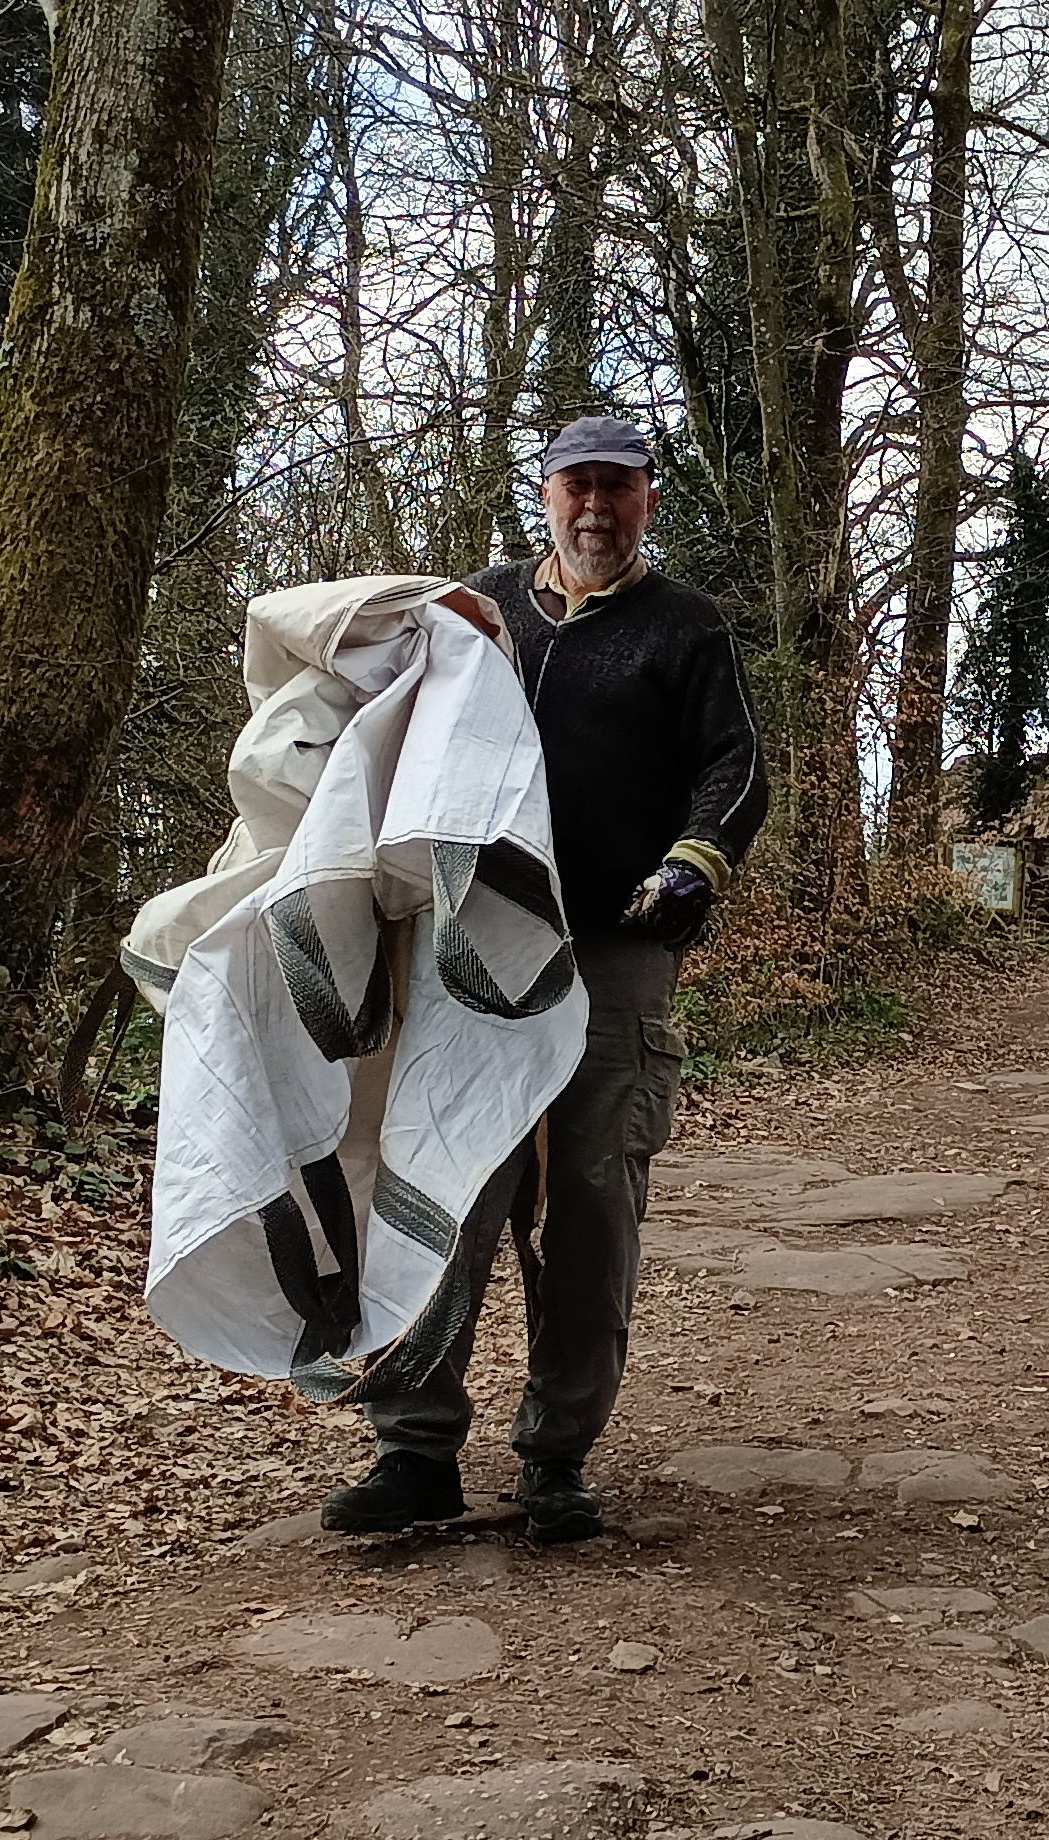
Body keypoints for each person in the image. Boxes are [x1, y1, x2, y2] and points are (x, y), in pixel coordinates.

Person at [319, 414, 770, 1544]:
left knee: (592, 1208)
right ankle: (414, 1449)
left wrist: (693, 862)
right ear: (547, 493)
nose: (597, 508)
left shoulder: (687, 627)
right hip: (471, 947)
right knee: (446, 1183)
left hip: (613, 952)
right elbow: (381, 718)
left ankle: (556, 1457)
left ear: (648, 498)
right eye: (579, 486)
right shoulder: (478, 611)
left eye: (619, 487)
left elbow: (735, 766)